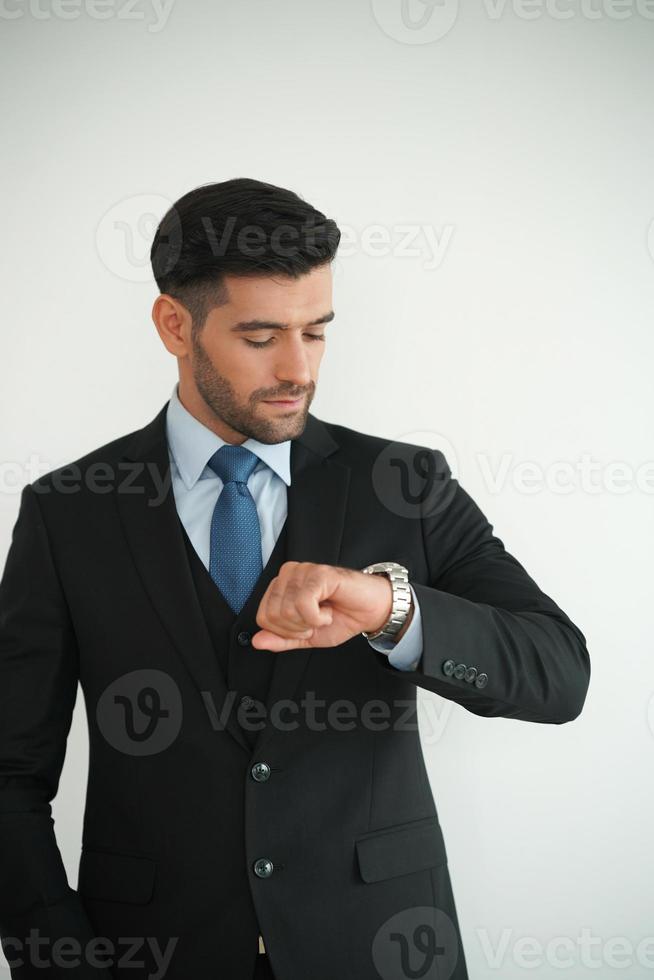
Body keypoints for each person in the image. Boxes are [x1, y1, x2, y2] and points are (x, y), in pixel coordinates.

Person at [0, 178, 590, 980]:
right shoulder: (68, 511)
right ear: (175, 324)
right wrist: (58, 963)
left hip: (382, 949)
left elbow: (558, 674)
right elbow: (8, 775)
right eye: (260, 335)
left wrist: (389, 607)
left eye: (317, 332)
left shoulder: (406, 484)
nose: (297, 369)